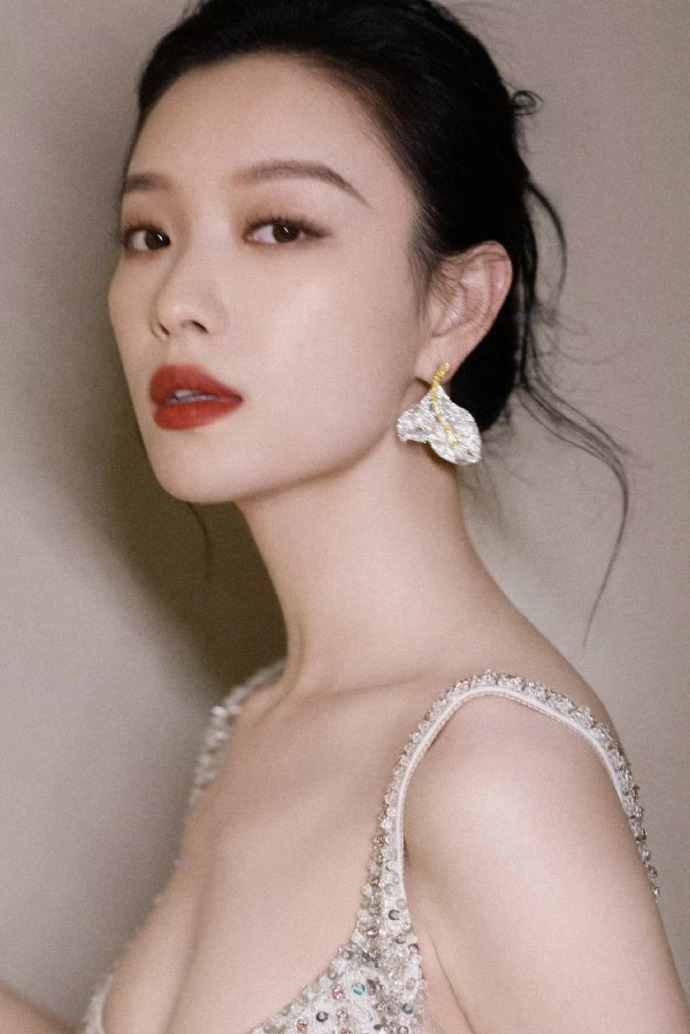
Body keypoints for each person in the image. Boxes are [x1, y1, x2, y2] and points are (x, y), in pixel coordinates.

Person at [3, 0, 689, 1031]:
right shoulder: (261, 720)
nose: (175, 298)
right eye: (150, 234)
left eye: (280, 227)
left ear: (454, 304)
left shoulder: (495, 771)